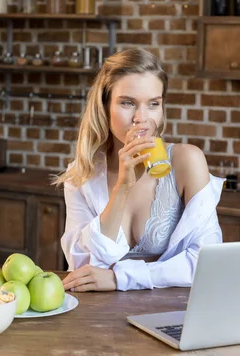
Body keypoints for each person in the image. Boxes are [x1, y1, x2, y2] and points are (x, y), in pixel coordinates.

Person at [52, 48, 225, 292]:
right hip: (98, 318)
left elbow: (207, 263)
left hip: (169, 313)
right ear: (104, 106)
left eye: (153, 104)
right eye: (127, 103)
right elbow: (82, 266)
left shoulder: (187, 162)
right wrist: (122, 187)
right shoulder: (81, 174)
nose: (141, 118)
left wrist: (118, 278)